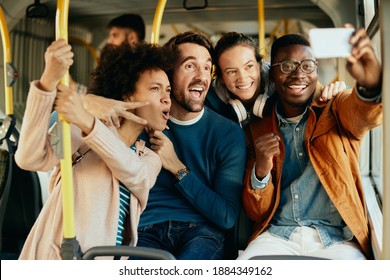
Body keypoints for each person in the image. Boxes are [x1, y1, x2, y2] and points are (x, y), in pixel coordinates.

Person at [85, 31, 247, 260]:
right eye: (190, 66)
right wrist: (88, 101)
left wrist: (178, 169)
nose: (202, 76)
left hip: (202, 232)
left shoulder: (228, 133)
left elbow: (227, 217)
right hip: (146, 229)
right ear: (169, 74)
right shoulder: (141, 121)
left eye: (206, 67)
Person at [15, 40, 172, 259]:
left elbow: (137, 174)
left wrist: (89, 121)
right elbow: (29, 159)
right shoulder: (80, 133)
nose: (166, 98)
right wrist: (48, 81)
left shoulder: (148, 157)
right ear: (127, 95)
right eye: (155, 89)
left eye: (168, 90)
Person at [238, 26, 382, 260]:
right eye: (287, 66)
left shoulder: (335, 107)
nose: (298, 74)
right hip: (276, 236)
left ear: (316, 71)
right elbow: (257, 212)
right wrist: (262, 168)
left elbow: (364, 113)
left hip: (338, 239)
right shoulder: (258, 128)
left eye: (307, 65)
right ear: (272, 74)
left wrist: (370, 86)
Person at [206, 31, 347, 127]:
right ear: (221, 78)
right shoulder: (209, 103)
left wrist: (340, 90)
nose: (242, 77)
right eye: (231, 71)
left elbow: (309, 86)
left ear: (260, 65)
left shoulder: (282, 81)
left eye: (249, 66)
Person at [70, 13, 146, 94]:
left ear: (132, 38)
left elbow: (107, 101)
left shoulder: (137, 69)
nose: (109, 41)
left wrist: (73, 86)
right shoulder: (123, 65)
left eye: (115, 35)